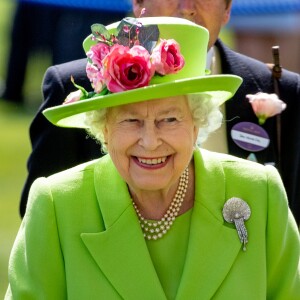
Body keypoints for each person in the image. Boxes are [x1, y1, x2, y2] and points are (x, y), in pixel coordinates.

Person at [6, 17, 300, 298]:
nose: (149, 142)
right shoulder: (57, 206)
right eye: (130, 121)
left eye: (170, 119)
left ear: (196, 124)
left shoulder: (259, 192)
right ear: (104, 129)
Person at [19, 0, 300, 226]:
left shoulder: (278, 89)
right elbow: (42, 221)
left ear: (227, 8)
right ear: (137, 2)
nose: (187, 6)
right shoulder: (74, 86)